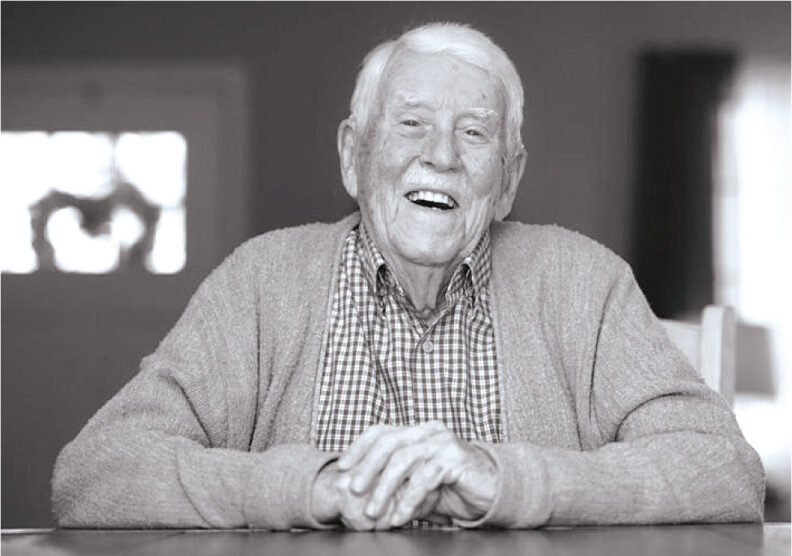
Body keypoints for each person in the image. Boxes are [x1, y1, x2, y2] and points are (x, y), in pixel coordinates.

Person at [52, 22, 764, 530]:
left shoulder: (585, 284)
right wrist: (315, 485)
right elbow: (96, 475)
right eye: (411, 124)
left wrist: (504, 478)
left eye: (475, 133)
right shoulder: (262, 283)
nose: (442, 157)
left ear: (508, 179)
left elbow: (721, 470)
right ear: (353, 157)